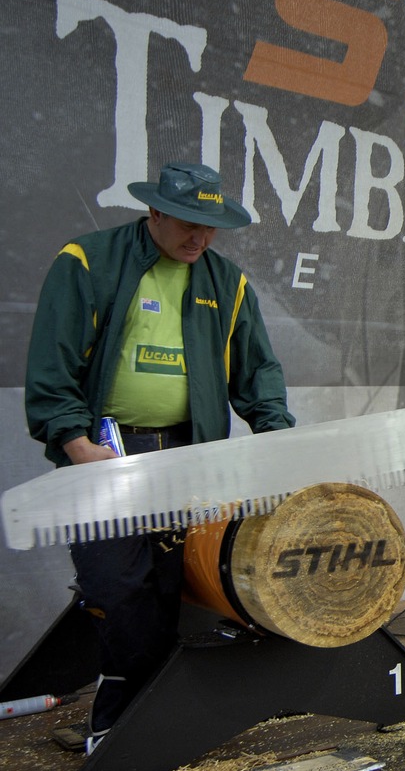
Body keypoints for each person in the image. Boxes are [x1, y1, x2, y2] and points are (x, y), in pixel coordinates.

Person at [24, 162, 294, 753]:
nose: (200, 238)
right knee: (115, 589)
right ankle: (121, 724)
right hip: (107, 454)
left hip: (188, 457)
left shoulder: (228, 283)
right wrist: (77, 445)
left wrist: (278, 440)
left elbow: (258, 374)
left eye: (211, 227)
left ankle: (129, 725)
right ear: (155, 212)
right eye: (189, 223)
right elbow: (53, 362)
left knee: (170, 593)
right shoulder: (89, 260)